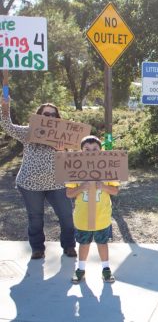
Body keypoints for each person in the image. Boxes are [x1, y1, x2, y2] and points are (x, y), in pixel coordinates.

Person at [0, 98, 76, 259]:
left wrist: (63, 149)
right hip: (30, 184)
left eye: (53, 115)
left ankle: (69, 246)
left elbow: (72, 158)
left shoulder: (63, 134)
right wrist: (5, 107)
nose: (50, 117)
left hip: (57, 183)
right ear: (39, 115)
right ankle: (37, 249)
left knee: (67, 215)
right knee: (35, 218)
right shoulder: (28, 132)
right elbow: (7, 126)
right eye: (46, 114)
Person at [65, 136, 120, 283]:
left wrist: (103, 186)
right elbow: (69, 193)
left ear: (101, 151)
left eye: (95, 149)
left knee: (102, 243)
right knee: (84, 244)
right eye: (86, 150)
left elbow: (115, 191)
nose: (91, 152)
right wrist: (82, 186)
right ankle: (81, 269)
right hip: (82, 217)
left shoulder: (108, 168)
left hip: (102, 216)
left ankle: (106, 269)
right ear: (81, 152)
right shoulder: (74, 169)